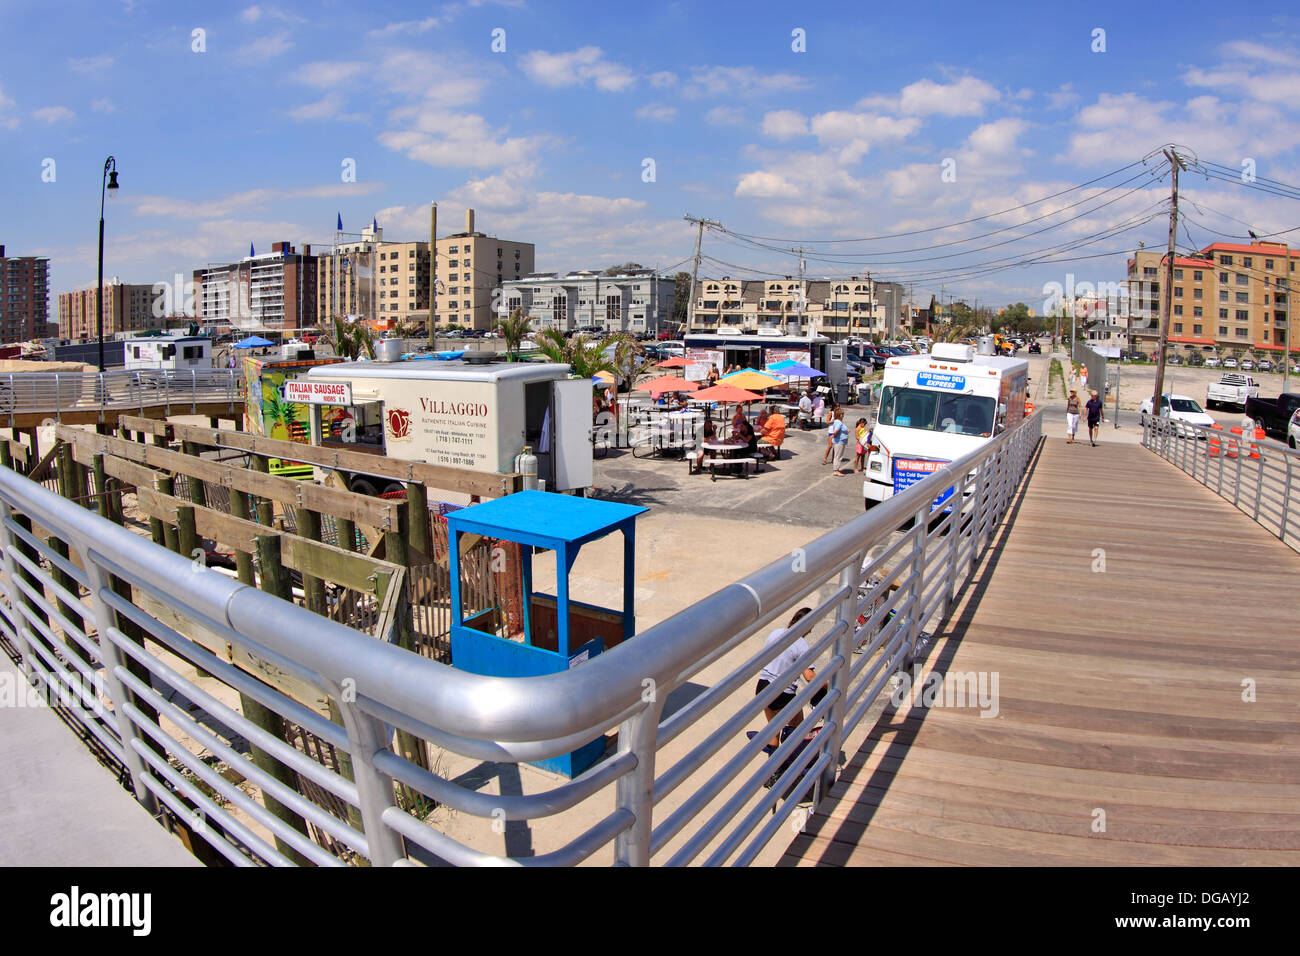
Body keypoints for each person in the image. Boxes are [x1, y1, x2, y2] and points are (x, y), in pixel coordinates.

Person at [755, 607, 823, 749]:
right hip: (782, 694)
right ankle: (790, 764)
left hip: (762, 687)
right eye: (811, 627)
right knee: (798, 732)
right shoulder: (801, 644)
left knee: (773, 730)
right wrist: (827, 683)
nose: (810, 631)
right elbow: (809, 676)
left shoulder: (776, 633)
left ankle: (774, 769)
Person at [827, 409, 850, 475]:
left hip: (840, 441)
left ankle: (837, 469)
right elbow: (836, 431)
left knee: (838, 456)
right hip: (839, 441)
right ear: (840, 415)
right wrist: (835, 435)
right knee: (838, 456)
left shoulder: (838, 422)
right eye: (842, 414)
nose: (843, 416)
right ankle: (836, 470)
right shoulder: (838, 422)